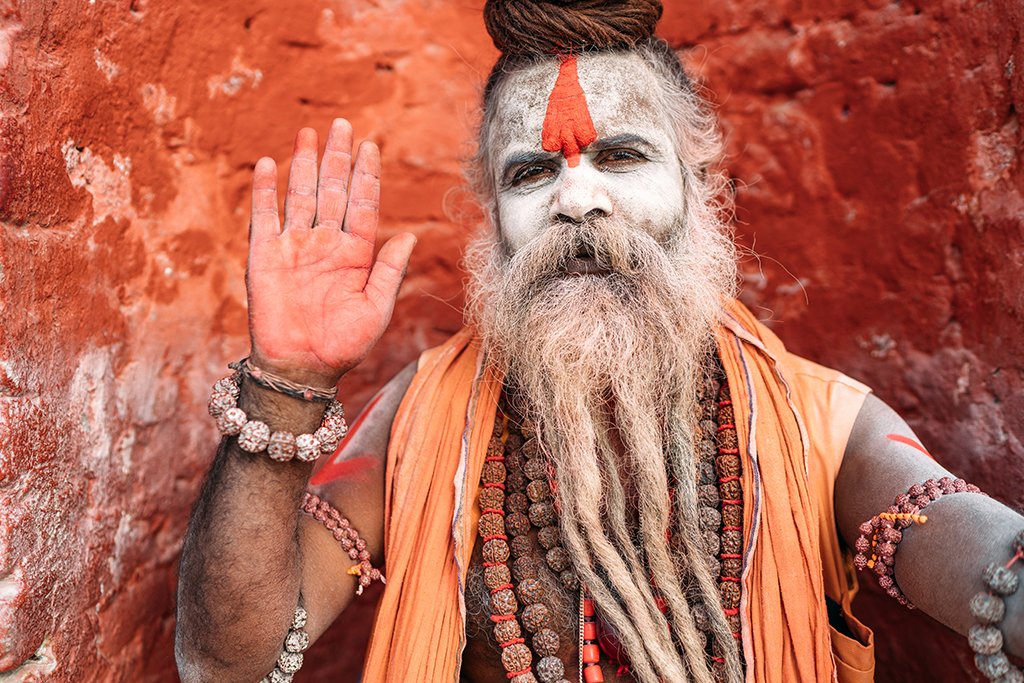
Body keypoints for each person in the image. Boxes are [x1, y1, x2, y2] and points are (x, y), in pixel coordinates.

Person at [174, 2, 1024, 681]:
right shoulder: (423, 420)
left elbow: (989, 561)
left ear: (700, 186)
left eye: (621, 156)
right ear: (492, 219)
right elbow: (225, 664)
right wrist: (284, 378)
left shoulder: (818, 424)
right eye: (531, 172)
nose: (577, 201)